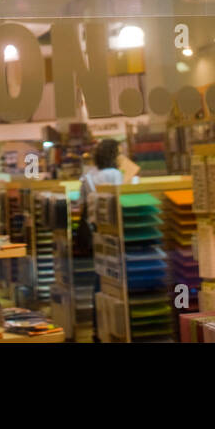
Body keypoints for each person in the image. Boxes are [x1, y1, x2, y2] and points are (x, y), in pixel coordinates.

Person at [78, 139, 124, 342]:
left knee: (100, 277)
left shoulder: (87, 177)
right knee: (115, 280)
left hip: (96, 233)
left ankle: (97, 328)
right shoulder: (114, 175)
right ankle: (112, 328)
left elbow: (82, 206)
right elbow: (121, 201)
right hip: (115, 232)